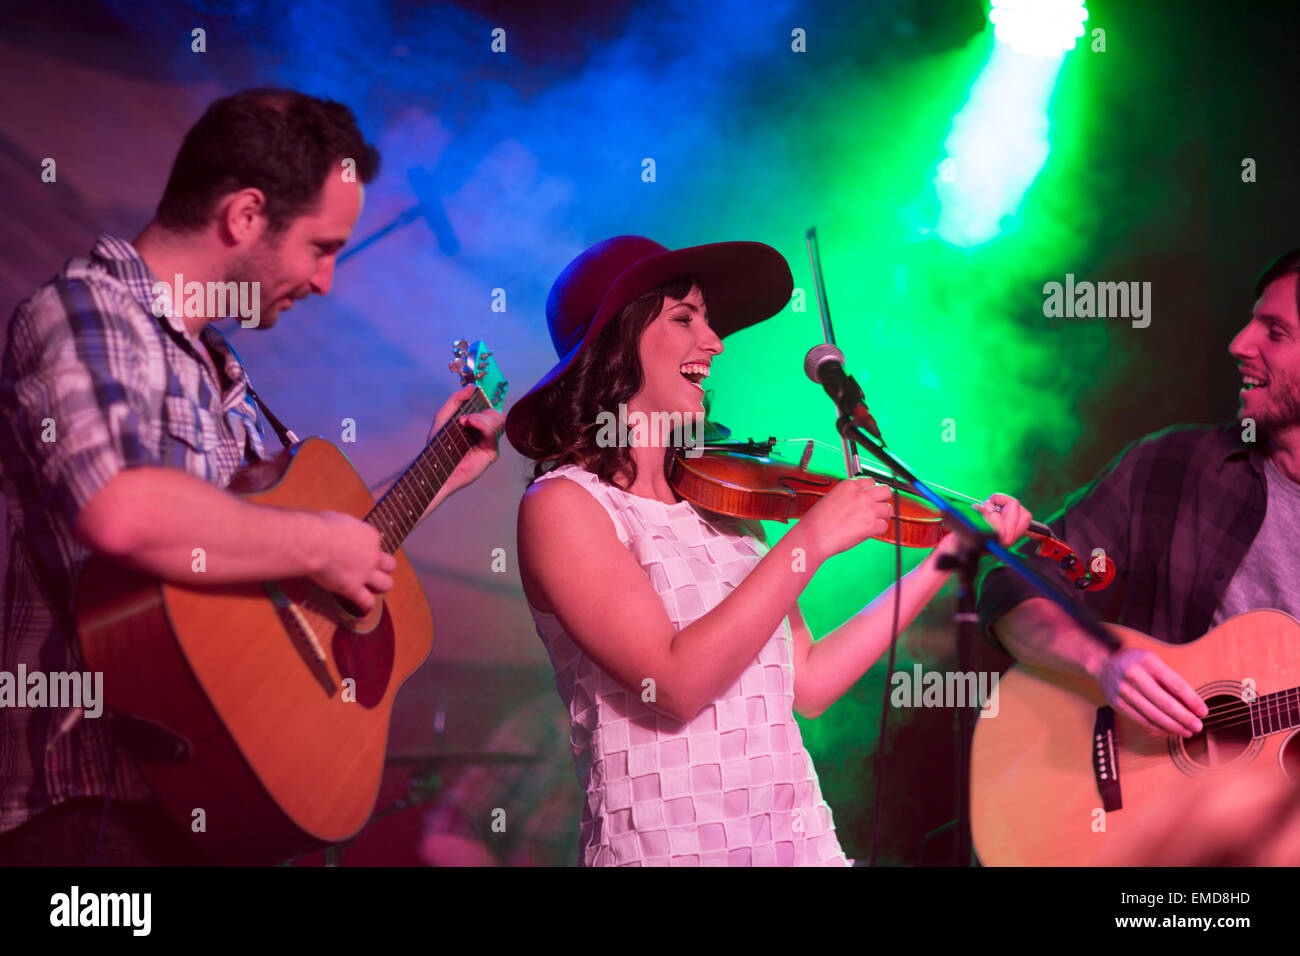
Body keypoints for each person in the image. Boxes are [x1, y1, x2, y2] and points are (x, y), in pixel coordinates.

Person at [0, 88, 504, 866]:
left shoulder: (224, 378)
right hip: (82, 817)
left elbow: (288, 574)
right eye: (321, 247)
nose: (329, 279)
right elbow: (119, 509)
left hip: (196, 801)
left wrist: (434, 474)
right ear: (244, 216)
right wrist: (316, 542)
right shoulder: (88, 312)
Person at [507, 235, 1032, 866]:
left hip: (793, 845)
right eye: (684, 319)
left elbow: (805, 683)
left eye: (708, 321)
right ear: (616, 343)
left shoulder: (725, 507)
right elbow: (671, 683)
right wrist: (809, 542)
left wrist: (943, 558)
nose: (714, 342)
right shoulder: (562, 506)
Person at [976, 250, 1300, 739]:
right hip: (1127, 797)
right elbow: (1013, 589)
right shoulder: (1173, 464)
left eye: (1276, 332)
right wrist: (1102, 660)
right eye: (1252, 322)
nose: (1238, 344)